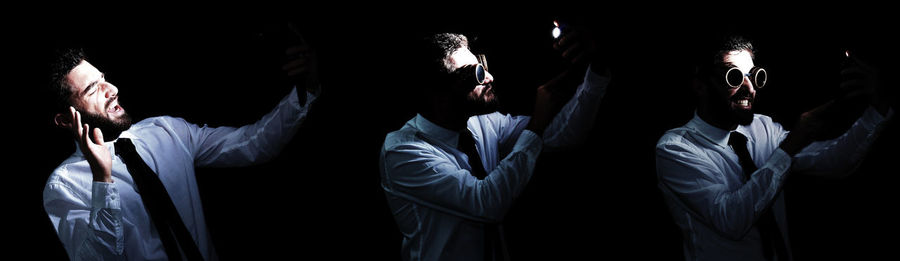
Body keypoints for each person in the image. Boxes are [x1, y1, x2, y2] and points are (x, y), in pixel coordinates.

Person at [42, 29, 319, 261]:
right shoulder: (64, 185)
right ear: (66, 120)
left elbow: (252, 144)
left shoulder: (166, 131)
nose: (111, 89)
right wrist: (102, 180)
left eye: (103, 78)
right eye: (92, 89)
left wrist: (308, 89)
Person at [655, 35, 893, 261]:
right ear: (700, 85)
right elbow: (731, 220)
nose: (750, 88)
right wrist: (791, 145)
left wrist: (877, 109)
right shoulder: (676, 149)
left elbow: (835, 162)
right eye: (734, 77)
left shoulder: (763, 127)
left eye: (754, 76)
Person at [379, 28, 610, 261]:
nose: (489, 77)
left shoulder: (482, 124)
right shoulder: (403, 152)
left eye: (482, 65)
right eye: (475, 74)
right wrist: (537, 124)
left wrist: (596, 72)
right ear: (438, 92)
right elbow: (486, 203)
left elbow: (563, 135)